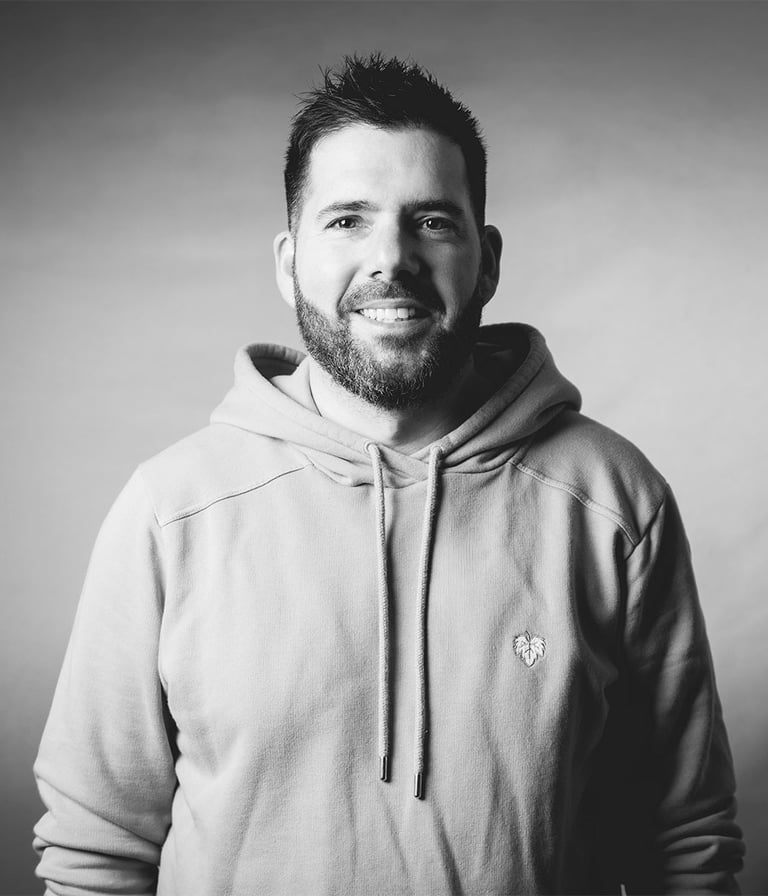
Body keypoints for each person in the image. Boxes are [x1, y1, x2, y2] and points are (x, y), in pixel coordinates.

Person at [34, 53, 744, 895]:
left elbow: (683, 844)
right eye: (347, 221)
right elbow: (96, 853)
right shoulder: (172, 511)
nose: (391, 259)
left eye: (432, 222)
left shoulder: (614, 502)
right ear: (288, 262)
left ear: (486, 260)